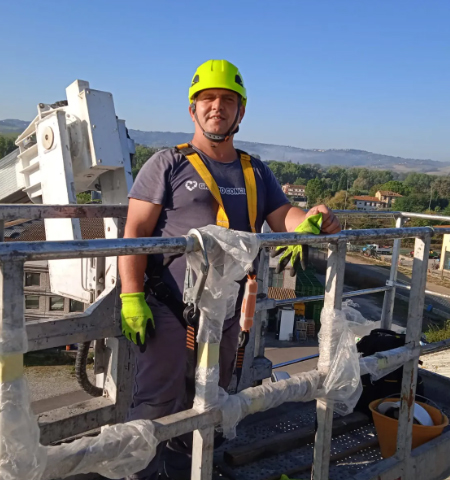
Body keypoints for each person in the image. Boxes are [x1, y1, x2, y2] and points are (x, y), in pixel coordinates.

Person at [118, 59, 341, 480]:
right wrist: (131, 295)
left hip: (225, 313)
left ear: (241, 111)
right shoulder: (167, 163)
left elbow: (282, 216)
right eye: (207, 99)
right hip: (170, 308)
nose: (216, 106)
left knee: (207, 400)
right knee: (155, 402)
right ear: (192, 110)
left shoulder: (254, 170)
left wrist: (310, 219)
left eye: (226, 99)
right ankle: (140, 475)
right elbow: (135, 232)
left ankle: (191, 472)